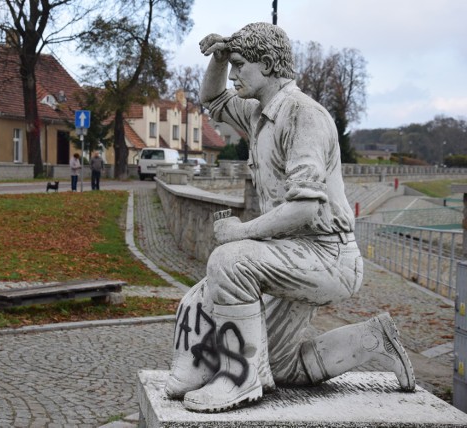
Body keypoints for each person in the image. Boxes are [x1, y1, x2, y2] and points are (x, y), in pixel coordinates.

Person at [165, 22, 415, 413]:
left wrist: (240, 232)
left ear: (266, 64)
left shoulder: (303, 116)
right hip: (295, 252)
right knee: (277, 365)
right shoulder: (258, 113)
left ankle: (237, 378)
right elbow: (213, 99)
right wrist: (217, 57)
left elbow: (305, 207)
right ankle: (370, 341)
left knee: (229, 262)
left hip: (328, 256)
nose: (232, 75)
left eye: (238, 65)